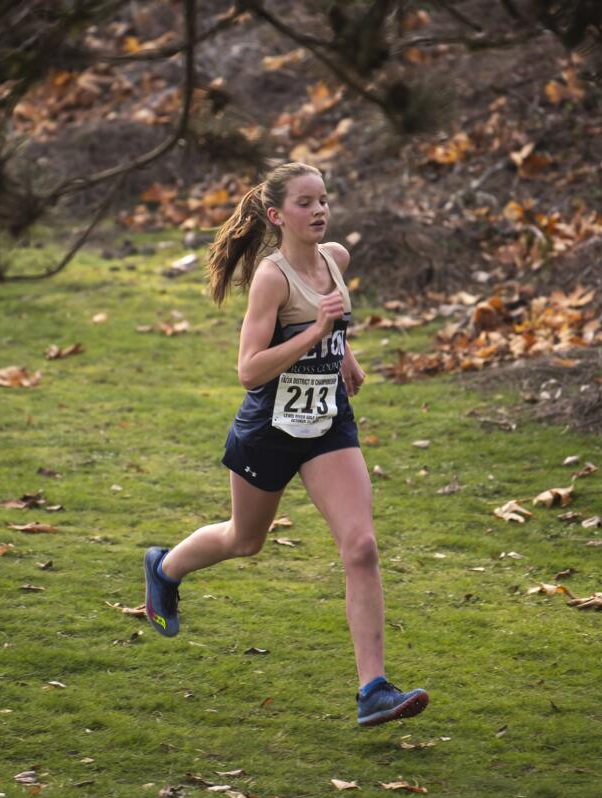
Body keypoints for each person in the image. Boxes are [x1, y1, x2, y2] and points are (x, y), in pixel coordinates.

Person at [142, 162, 428, 727]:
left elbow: (334, 319)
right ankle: (165, 569)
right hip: (269, 429)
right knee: (245, 540)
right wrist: (316, 335)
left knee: (362, 546)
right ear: (277, 216)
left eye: (324, 199)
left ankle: (373, 690)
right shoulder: (272, 278)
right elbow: (249, 370)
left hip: (327, 426)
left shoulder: (336, 259)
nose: (320, 210)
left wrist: (342, 353)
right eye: (305, 203)